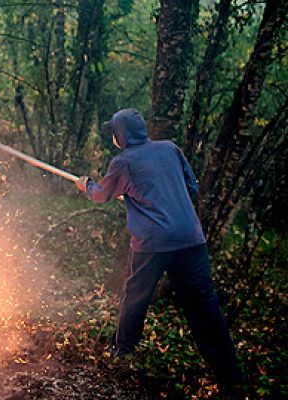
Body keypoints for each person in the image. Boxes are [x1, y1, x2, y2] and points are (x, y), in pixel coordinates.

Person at [75, 108, 242, 387]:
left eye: (115, 131)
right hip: (191, 238)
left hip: (154, 243)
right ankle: (230, 374)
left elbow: (102, 195)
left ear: (122, 134)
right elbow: (192, 187)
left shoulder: (123, 162)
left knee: (135, 297)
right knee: (205, 305)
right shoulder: (170, 149)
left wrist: (86, 185)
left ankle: (122, 350)